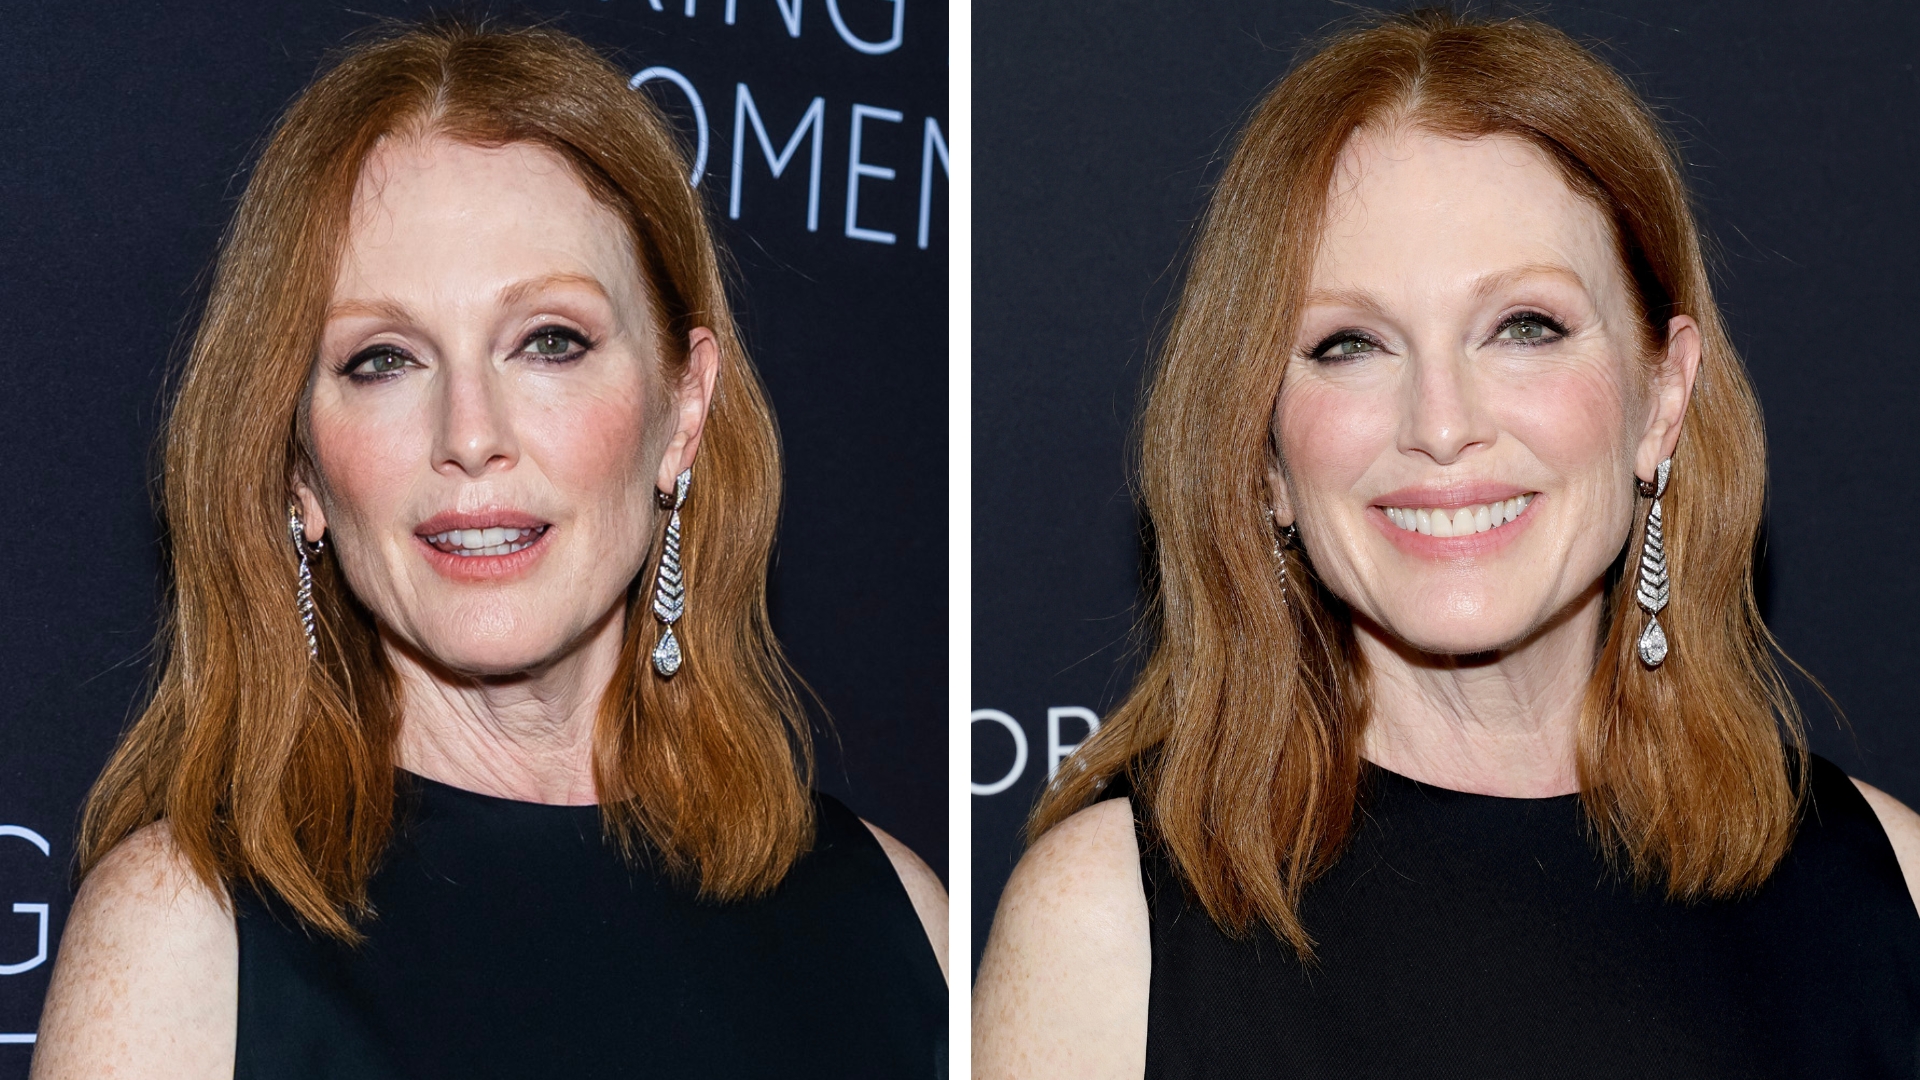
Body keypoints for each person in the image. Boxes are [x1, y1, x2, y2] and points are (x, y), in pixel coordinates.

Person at [975, 9, 1920, 1078]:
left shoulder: (1891, 884)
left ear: (1663, 399)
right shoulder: (1111, 930)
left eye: (1525, 326)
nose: (1439, 422)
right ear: (1265, 456)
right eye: (1350, 344)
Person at [30, 19, 945, 1080]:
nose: (470, 434)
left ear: (682, 411)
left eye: (548, 341)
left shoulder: (895, 915)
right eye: (382, 359)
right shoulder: (184, 940)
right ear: (297, 467)